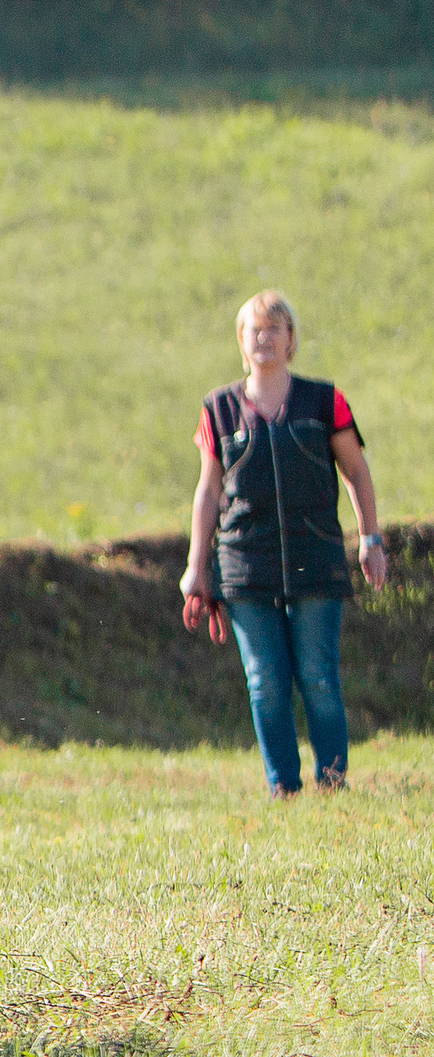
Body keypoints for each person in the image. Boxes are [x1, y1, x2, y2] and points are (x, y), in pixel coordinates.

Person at [179, 290, 388, 797]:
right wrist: (196, 567)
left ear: (291, 340)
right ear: (241, 341)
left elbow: (356, 472)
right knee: (265, 681)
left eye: (275, 328)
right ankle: (284, 789)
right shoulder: (219, 408)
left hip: (316, 557)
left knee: (317, 677)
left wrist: (370, 538)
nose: (264, 337)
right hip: (245, 565)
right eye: (255, 329)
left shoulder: (325, 401)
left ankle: (333, 785)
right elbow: (208, 490)